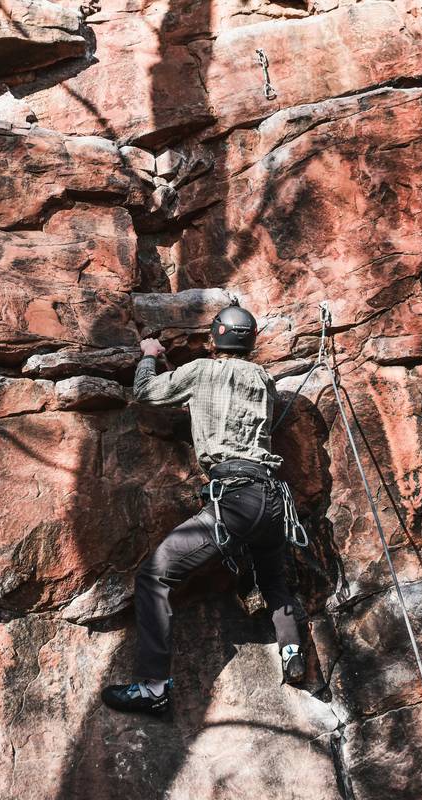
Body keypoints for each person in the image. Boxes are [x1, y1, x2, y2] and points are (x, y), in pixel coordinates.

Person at [101, 300, 306, 715]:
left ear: (215, 337)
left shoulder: (201, 371)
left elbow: (147, 393)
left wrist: (149, 358)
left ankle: (154, 688)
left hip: (233, 497)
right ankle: (292, 652)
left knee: (154, 575)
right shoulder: (264, 379)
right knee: (273, 579)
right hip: (271, 499)